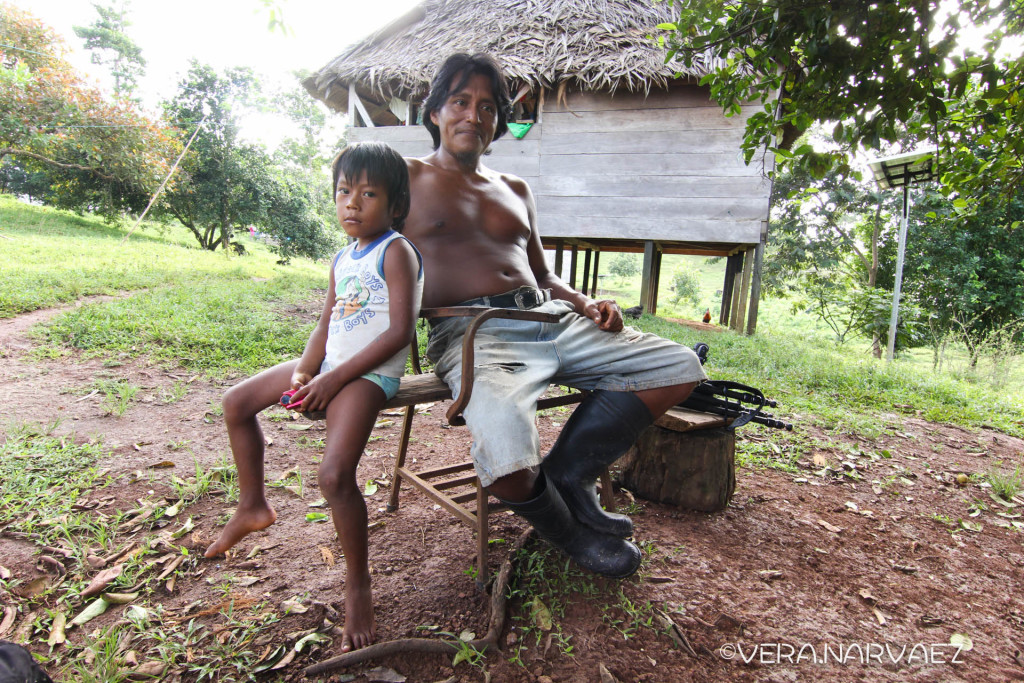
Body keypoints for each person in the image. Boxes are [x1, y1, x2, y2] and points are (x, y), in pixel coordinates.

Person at [403, 53, 707, 579]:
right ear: (435, 112)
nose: (473, 115)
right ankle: (569, 533)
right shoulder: (404, 178)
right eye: (460, 102)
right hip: (473, 333)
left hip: (550, 318)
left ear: (498, 122)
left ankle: (569, 473)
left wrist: (586, 304)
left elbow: (543, 274)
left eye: (487, 107)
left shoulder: (515, 189)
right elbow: (365, 262)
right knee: (505, 464)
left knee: (679, 367)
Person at [204, 141, 423, 653]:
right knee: (236, 402)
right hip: (331, 365)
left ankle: (358, 585)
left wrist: (332, 380)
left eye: (368, 194)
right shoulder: (342, 257)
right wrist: (306, 371)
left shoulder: (396, 251)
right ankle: (252, 506)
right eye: (344, 191)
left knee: (333, 476)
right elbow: (326, 322)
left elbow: (400, 332)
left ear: (395, 205)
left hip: (368, 374)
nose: (352, 203)